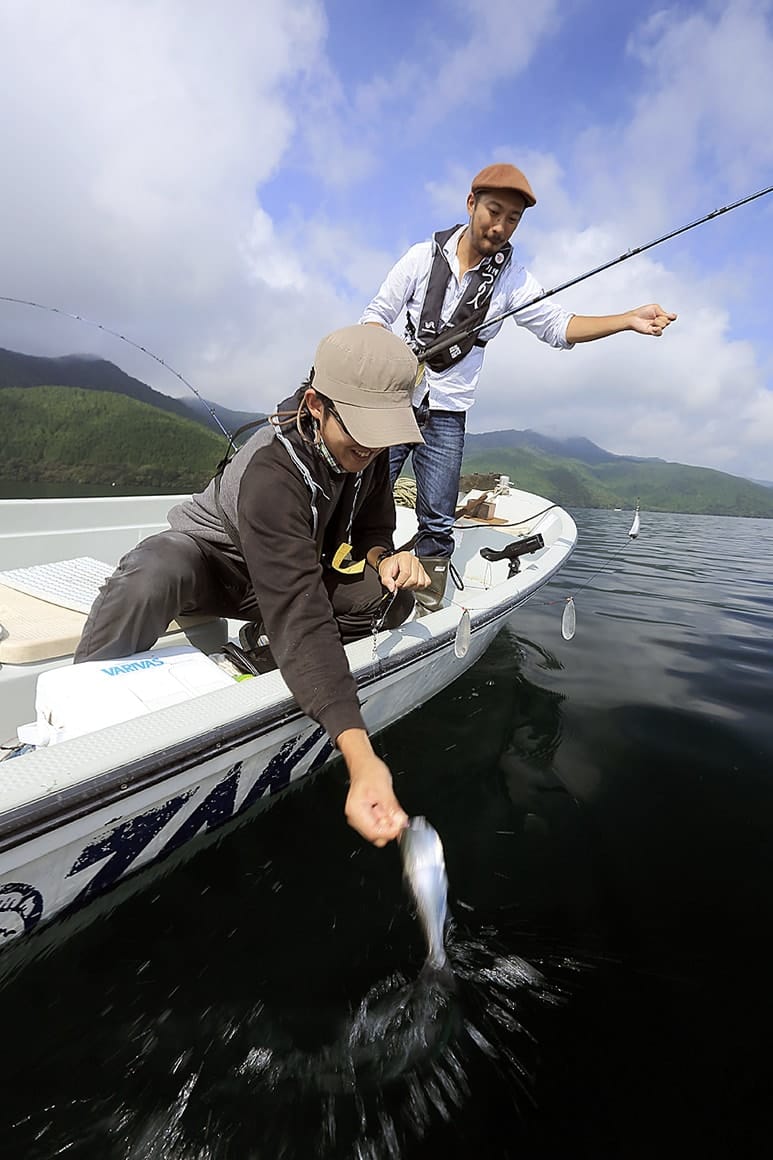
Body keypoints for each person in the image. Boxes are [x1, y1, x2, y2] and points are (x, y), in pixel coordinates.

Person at [74, 325, 431, 848]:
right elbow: (300, 614)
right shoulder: (272, 470)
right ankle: (78, 713)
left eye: (383, 433)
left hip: (289, 571)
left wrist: (384, 558)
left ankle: (259, 658)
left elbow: (373, 529)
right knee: (155, 570)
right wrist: (361, 756)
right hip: (217, 565)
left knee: (389, 594)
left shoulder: (367, 454)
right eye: (359, 429)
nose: (371, 446)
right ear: (315, 405)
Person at [360, 162, 677, 606]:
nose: (500, 226)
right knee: (362, 496)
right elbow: (376, 316)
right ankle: (351, 581)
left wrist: (626, 320)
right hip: (393, 403)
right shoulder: (421, 258)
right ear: (471, 204)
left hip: (447, 414)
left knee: (436, 518)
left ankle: (424, 602)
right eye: (493, 211)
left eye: (513, 219)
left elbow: (559, 326)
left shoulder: (511, 282)